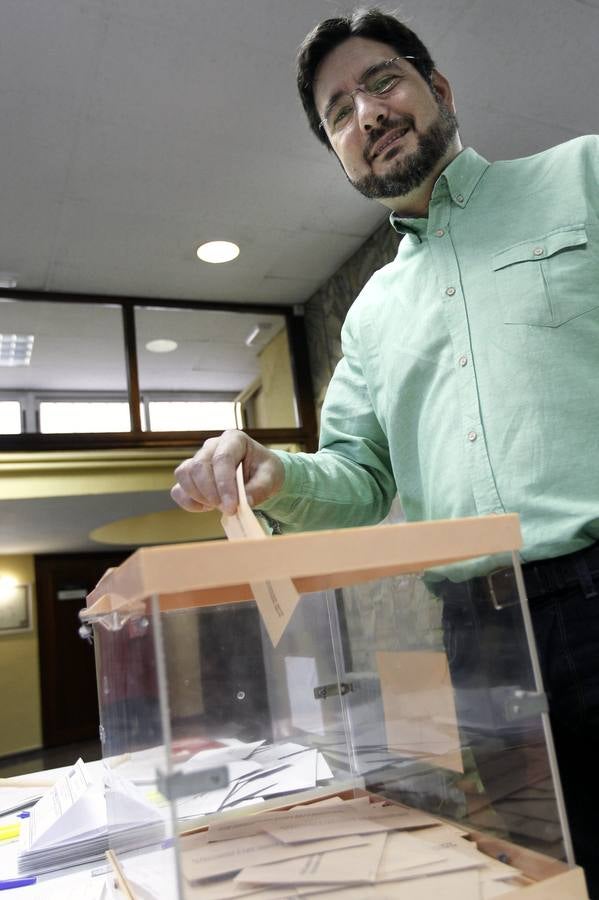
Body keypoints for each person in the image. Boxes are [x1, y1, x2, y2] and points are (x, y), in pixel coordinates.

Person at [171, 8, 599, 893]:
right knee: (543, 870)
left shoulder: (582, 176)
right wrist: (273, 470)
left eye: (380, 82)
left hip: (594, 584)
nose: (364, 113)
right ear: (337, 152)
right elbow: (361, 480)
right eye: (336, 112)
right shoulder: (369, 311)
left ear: (435, 90)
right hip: (481, 640)